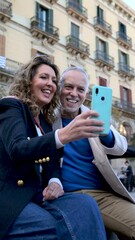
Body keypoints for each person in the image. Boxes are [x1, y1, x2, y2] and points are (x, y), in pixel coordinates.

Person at [0, 56, 107, 240]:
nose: (50, 83)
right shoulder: (12, 106)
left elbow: (53, 163)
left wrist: (55, 182)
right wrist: (63, 135)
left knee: (86, 204)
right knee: (51, 225)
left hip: (40, 196)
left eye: (54, 80)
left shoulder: (44, 121)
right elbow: (18, 149)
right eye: (44, 77)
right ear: (29, 81)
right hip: (13, 196)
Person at [52, 66, 135, 240]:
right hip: (67, 195)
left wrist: (107, 134)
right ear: (59, 89)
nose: (74, 93)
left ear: (86, 94)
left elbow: (121, 147)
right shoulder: (48, 118)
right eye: (68, 87)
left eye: (80, 89)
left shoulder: (93, 117)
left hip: (101, 194)